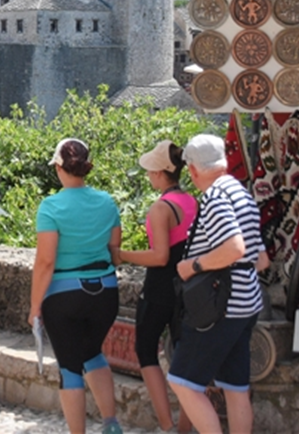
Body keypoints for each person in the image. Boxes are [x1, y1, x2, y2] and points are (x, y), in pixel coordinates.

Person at [169, 134, 268, 434]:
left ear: (193, 169)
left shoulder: (215, 197)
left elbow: (234, 248)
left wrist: (193, 266)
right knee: (235, 388)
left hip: (219, 307)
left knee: (183, 382)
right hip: (246, 303)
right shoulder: (242, 194)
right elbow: (261, 259)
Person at [28, 138, 123, 434]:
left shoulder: (51, 206)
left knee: (70, 367)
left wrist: (34, 306)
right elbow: (115, 251)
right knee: (92, 352)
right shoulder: (107, 202)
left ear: (59, 168)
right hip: (105, 292)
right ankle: (111, 424)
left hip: (64, 294)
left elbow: (45, 262)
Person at [119, 141, 198, 433]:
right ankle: (186, 427)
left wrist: (121, 254)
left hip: (160, 286)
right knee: (187, 357)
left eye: (151, 170)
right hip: (189, 287)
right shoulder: (192, 201)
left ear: (159, 173)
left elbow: (159, 256)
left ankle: (167, 424)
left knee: (146, 350)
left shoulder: (160, 208)